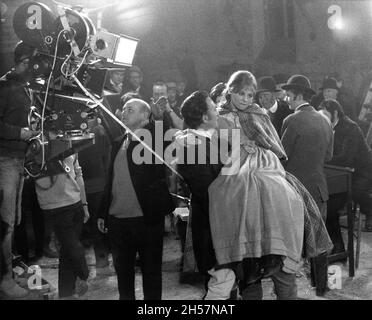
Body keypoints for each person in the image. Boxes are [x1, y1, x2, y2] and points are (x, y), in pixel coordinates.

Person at [210, 71, 305, 300]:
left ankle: (279, 245)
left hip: (263, 159)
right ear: (230, 91)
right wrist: (238, 143)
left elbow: (272, 142)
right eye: (240, 93)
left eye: (249, 94)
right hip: (234, 161)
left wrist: (257, 144)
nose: (245, 98)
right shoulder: (218, 115)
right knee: (232, 189)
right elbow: (215, 147)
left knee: (281, 190)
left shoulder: (259, 113)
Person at [97, 98, 175, 300]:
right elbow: (111, 181)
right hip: (118, 221)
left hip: (146, 219)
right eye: (123, 109)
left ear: (144, 116)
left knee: (151, 273)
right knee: (123, 275)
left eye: (130, 109)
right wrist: (102, 212)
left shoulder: (150, 142)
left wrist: (159, 119)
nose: (124, 112)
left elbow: (164, 140)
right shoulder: (118, 143)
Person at [174, 91, 236, 300]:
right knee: (221, 283)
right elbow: (208, 193)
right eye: (213, 108)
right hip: (213, 230)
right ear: (204, 116)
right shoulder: (192, 146)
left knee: (225, 283)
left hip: (218, 228)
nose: (217, 112)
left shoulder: (204, 141)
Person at [281, 74, 334, 296]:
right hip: (320, 189)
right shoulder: (325, 119)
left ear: (298, 95)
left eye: (288, 95)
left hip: (295, 192)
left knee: (292, 242)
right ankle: (321, 287)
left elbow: (281, 157)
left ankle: (290, 290)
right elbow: (329, 156)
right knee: (320, 241)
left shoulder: (291, 121)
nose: (286, 98)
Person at [0, 41, 39, 298]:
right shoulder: (5, 87)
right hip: (4, 160)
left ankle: (11, 272)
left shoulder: (24, 87)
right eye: (36, 62)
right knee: (5, 224)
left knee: (14, 221)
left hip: (17, 160)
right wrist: (21, 133)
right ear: (25, 60)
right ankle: (4, 280)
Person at [35, 150, 90, 299]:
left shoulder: (70, 138)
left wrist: (84, 204)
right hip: (54, 206)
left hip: (75, 202)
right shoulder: (39, 142)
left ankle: (66, 293)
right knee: (74, 249)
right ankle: (84, 276)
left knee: (67, 253)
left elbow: (78, 173)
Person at [319, 99, 372, 239]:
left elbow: (347, 158)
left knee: (356, 190)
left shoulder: (350, 127)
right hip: (344, 170)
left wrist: (323, 158)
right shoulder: (327, 126)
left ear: (335, 113)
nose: (322, 118)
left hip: (363, 168)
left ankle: (370, 211)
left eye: (325, 114)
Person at [79, 122, 112, 272]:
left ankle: (102, 257)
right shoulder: (97, 130)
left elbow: (107, 155)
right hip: (86, 183)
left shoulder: (99, 131)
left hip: (95, 182)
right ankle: (102, 256)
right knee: (97, 221)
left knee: (97, 221)